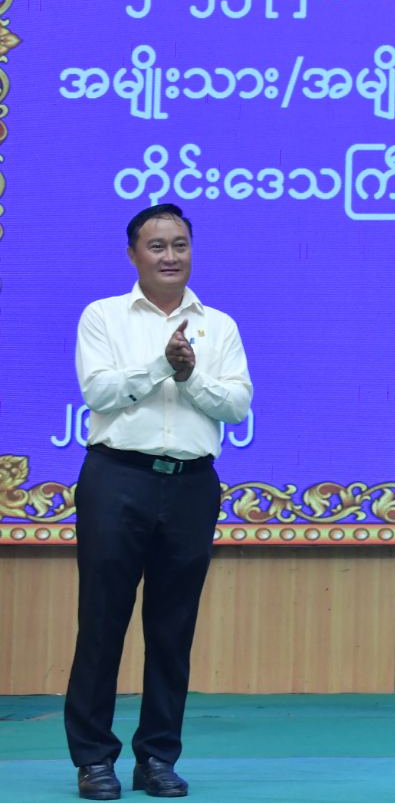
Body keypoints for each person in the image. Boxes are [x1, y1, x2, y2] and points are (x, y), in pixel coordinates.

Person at [66, 203, 254, 801]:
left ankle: (157, 757)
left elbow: (237, 405)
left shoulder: (218, 325)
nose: (170, 256)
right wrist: (160, 366)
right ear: (133, 255)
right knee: (102, 623)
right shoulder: (103, 316)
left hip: (192, 484)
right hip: (117, 479)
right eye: (157, 246)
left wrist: (190, 376)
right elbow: (98, 391)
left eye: (180, 245)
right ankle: (94, 758)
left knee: (173, 630)